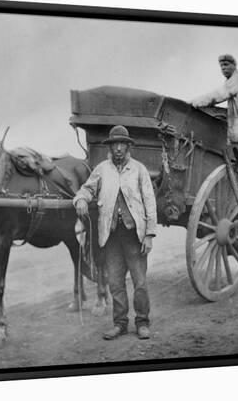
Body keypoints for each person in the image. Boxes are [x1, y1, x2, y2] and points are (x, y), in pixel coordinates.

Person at [73, 125, 157, 340]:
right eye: (114, 145)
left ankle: (142, 322)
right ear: (110, 147)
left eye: (122, 144)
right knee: (115, 283)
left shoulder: (139, 169)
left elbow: (150, 202)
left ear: (128, 146)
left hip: (134, 237)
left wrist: (149, 234)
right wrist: (81, 199)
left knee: (140, 283)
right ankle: (120, 324)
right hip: (110, 237)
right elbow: (87, 188)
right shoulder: (102, 169)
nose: (118, 148)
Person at [189, 54, 238, 226]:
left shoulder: (236, 80)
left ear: (234, 65)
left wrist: (195, 103)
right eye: (221, 66)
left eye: (226, 65)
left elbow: (218, 96)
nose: (223, 69)